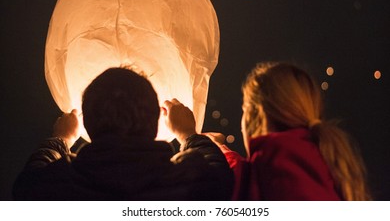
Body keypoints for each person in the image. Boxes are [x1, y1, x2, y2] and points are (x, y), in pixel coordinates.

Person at [13, 67, 233, 200]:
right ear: (157, 119)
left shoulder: (58, 188)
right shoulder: (187, 183)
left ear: (86, 123)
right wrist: (188, 133)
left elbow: (27, 184)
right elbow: (219, 176)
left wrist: (60, 139)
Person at [214, 62, 371, 200]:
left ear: (256, 114)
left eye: (244, 109)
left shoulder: (280, 162)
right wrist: (208, 149)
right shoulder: (311, 162)